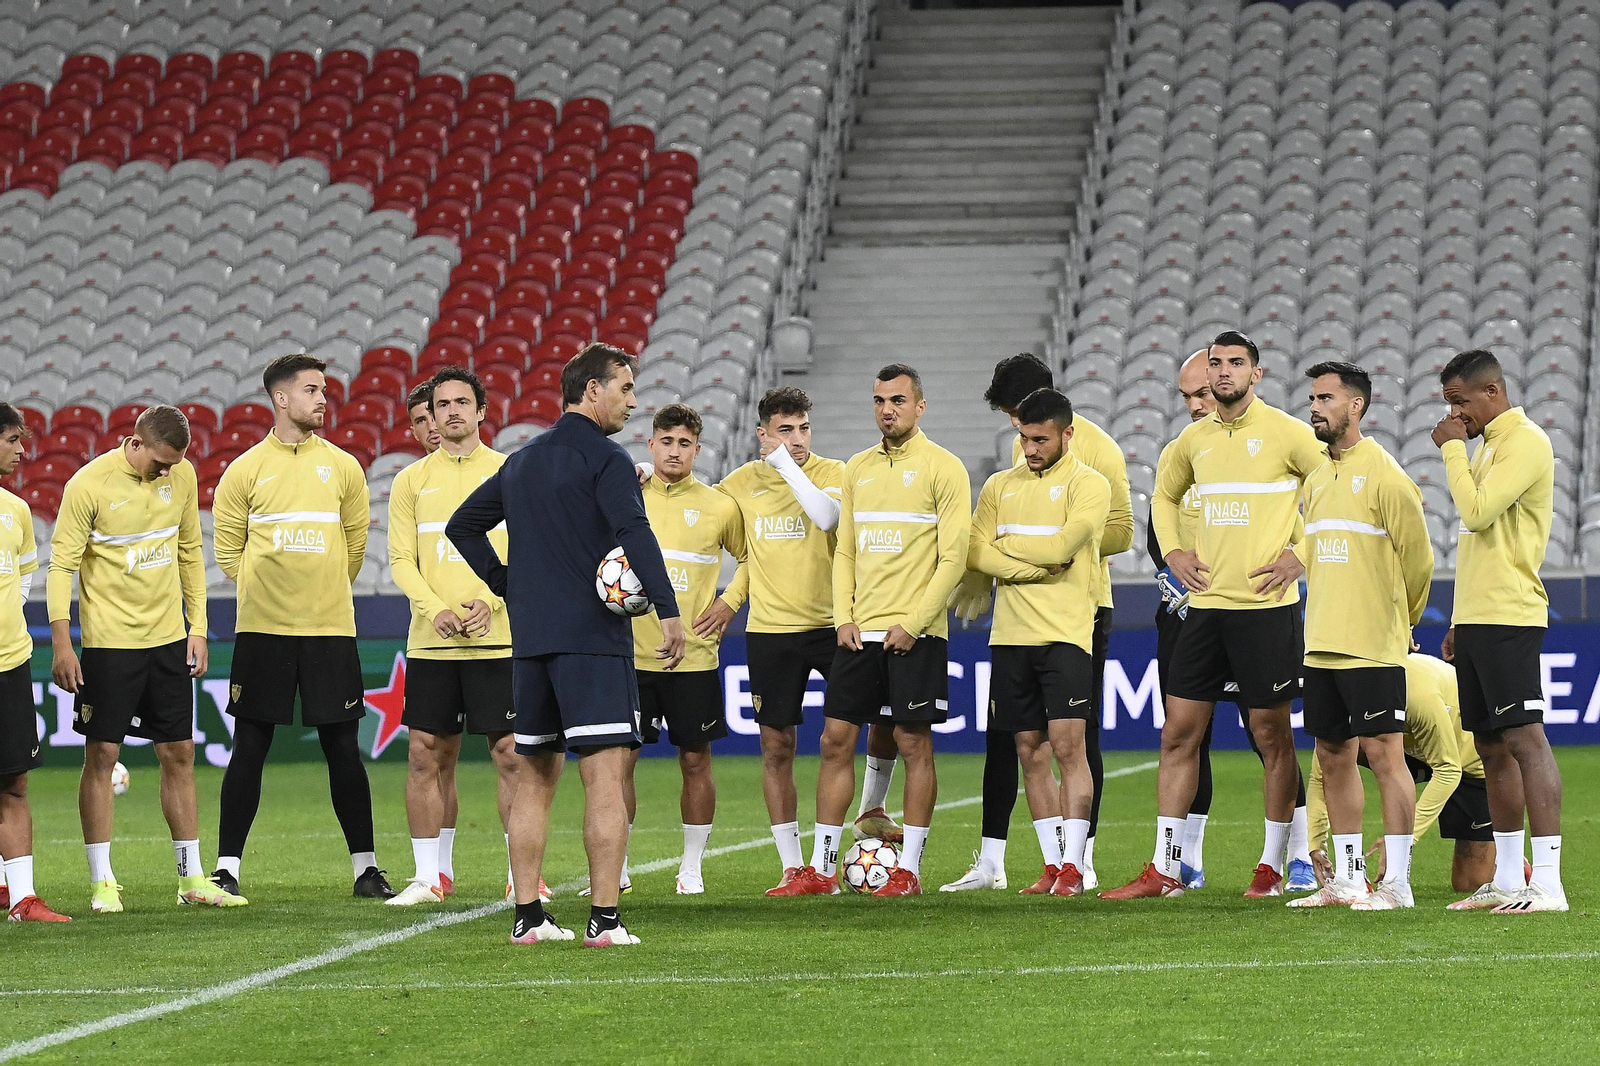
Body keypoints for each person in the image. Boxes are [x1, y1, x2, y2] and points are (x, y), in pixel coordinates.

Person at [447, 342, 685, 946]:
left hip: (531, 644)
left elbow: (463, 526)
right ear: (591, 391)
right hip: (593, 642)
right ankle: (604, 920)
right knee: (604, 778)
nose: (632, 401)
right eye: (624, 389)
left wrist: (510, 586)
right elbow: (635, 531)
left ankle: (529, 917)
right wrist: (669, 610)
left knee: (535, 777)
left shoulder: (523, 461)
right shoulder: (605, 458)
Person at [1105, 330, 1326, 900]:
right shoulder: (1192, 440)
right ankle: (1167, 868)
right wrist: (1174, 550)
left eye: (1235, 363)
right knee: (1178, 734)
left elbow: (1335, 485)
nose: (1223, 372)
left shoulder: (1288, 434)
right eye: (1216, 363)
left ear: (1256, 373)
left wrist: (1300, 554)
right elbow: (1162, 496)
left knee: (1269, 733)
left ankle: (1275, 864)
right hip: (1202, 612)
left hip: (1264, 612)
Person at [777, 364, 971, 897]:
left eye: (899, 400)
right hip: (860, 633)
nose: (888, 409)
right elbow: (845, 551)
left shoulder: (944, 468)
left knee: (913, 743)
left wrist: (914, 622)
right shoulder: (857, 469)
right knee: (835, 740)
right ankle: (820, 871)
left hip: (917, 634)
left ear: (920, 406)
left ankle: (907, 869)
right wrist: (844, 616)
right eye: (880, 400)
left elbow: (954, 558)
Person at [46, 405, 244, 913]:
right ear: (134, 444)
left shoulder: (179, 475)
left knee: (179, 755)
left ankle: (190, 877)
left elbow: (189, 553)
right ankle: (103, 882)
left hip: (167, 642)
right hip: (109, 645)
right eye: (159, 462)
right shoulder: (86, 486)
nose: (167, 471)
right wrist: (64, 643)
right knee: (102, 758)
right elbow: (61, 567)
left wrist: (196, 629)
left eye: (175, 463)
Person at [945, 354, 1131, 893]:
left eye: (1032, 435)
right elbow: (979, 547)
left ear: (1063, 433)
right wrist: (1023, 560)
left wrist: (1040, 549)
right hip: (1012, 632)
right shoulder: (1007, 473)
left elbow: (1104, 535)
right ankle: (1052, 862)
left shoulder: (1094, 466)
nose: (1024, 443)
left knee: (1073, 741)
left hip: (1078, 617)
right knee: (1025, 745)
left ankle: (1079, 860)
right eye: (1019, 432)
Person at [210, 353, 391, 900]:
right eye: (311, 389)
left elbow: (356, 546)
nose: (322, 399)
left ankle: (366, 869)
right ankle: (227, 869)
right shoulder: (244, 470)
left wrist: (322, 587)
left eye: (324, 390)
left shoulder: (343, 467)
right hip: (262, 631)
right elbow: (227, 552)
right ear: (280, 398)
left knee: (342, 747)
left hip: (329, 629)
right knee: (250, 745)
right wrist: (271, 593)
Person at [716, 387, 903, 895]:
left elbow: (828, 517)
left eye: (803, 429)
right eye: (785, 430)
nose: (797, 440)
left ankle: (865, 815)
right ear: (762, 433)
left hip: (834, 626)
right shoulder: (737, 485)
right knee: (776, 747)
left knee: (858, 729)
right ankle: (794, 866)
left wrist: (785, 466)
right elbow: (712, 525)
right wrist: (644, 477)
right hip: (770, 633)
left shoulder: (832, 474)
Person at [1286, 362, 1432, 911]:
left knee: (1386, 756)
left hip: (1372, 643)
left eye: (1326, 398)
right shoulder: (1318, 478)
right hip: (1320, 641)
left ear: (1356, 406)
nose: (1315, 406)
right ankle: (1349, 880)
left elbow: (1419, 564)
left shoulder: (1388, 476)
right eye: (1312, 397)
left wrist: (1403, 620)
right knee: (1331, 756)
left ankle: (1396, 884)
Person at [385, 367, 529, 906]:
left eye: (461, 402)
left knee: (511, 754)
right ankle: (429, 878)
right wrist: (435, 609)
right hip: (432, 642)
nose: (450, 412)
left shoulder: (510, 473)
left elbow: (525, 553)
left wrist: (490, 601)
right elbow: (400, 561)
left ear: (481, 411)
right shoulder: (410, 481)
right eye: (441, 404)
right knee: (426, 756)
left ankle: (522, 874)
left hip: (499, 638)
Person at [1431, 349, 1565, 913]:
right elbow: (1479, 543)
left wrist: (1452, 450)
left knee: (1525, 740)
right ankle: (1509, 880)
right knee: (1490, 747)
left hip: (1511, 613)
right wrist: (1461, 617)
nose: (1457, 415)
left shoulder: (1526, 442)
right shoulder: (1487, 448)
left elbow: (1478, 512)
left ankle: (1550, 884)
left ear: (1493, 392)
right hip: (1481, 617)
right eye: (1449, 407)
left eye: (1461, 402)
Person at [627, 404, 744, 895]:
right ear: (651, 445)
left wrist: (730, 601)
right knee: (618, 762)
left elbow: (752, 558)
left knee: (696, 760)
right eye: (666, 442)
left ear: (698, 449)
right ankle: (617, 865)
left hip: (694, 657)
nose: (675, 452)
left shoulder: (720, 506)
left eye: (685, 443)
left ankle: (691, 867)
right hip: (629, 656)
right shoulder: (625, 497)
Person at [1307, 652, 1507, 895]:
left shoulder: (1419, 694)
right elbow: (1321, 773)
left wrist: (1401, 842)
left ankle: (1508, 861)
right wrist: (1316, 843)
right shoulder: (1345, 697)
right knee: (1343, 751)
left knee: (1471, 882)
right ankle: (1351, 873)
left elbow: (1448, 769)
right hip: (1404, 753)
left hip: (1465, 759)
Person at [0, 403, 68, 921]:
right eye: (11, 440)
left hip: (10, 663)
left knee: (14, 781)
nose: (22, 451)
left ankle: (20, 896)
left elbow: (21, 585)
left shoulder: (17, 512)